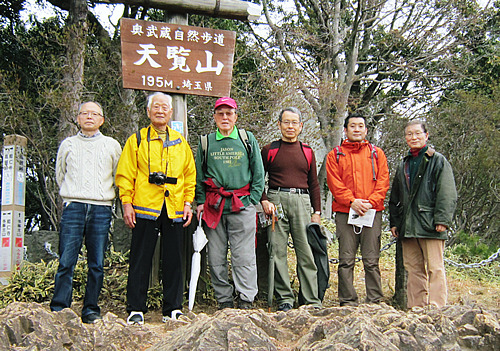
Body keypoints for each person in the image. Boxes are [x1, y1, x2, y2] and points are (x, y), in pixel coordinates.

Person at [115, 92, 196, 325]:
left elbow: (189, 176)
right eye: (156, 107)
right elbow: (125, 173)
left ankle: (173, 308)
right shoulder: (137, 140)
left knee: (174, 259)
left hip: (174, 207)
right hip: (145, 205)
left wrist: (188, 203)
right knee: (141, 258)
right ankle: (135, 309)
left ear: (171, 113)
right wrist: (126, 202)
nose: (160, 111)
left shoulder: (181, 142)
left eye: (165, 108)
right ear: (148, 112)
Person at [50, 101, 122, 324]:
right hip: (74, 206)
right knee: (66, 261)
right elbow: (59, 174)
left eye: (95, 114)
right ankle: (60, 307)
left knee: (97, 263)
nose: (89, 117)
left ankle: (91, 308)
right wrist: (73, 196)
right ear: (78, 118)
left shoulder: (111, 145)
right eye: (85, 113)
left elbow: (118, 176)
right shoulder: (68, 144)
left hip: (101, 208)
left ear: (102, 120)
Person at [195, 97, 265, 310]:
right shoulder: (206, 142)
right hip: (214, 207)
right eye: (220, 113)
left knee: (243, 255)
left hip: (242, 204)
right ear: (214, 117)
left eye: (229, 113)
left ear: (236, 116)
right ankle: (224, 300)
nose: (225, 117)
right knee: (215, 256)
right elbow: (199, 175)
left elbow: (258, 172)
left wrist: (253, 199)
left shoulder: (246, 139)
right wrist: (199, 201)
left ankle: (246, 298)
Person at [389, 120, 457, 309]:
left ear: (426, 136)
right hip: (408, 226)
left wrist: (442, 220)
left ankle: (436, 308)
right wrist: (395, 222)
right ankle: (416, 308)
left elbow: (447, 192)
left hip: (431, 224)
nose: (413, 137)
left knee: (435, 268)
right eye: (409, 134)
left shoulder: (438, 160)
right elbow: (395, 197)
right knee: (413, 270)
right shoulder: (404, 164)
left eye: (418, 133)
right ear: (405, 138)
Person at [260, 107, 322, 311]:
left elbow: (314, 183)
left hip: (302, 201)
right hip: (276, 200)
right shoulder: (270, 150)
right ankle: (285, 298)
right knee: (277, 251)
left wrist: (316, 212)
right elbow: (258, 180)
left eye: (294, 122)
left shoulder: (307, 151)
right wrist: (264, 200)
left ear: (301, 126)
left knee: (306, 251)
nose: (290, 126)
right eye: (286, 122)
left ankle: (311, 299)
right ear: (279, 125)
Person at [326, 112, 390, 306]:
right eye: (352, 126)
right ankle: (347, 300)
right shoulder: (335, 155)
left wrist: (370, 202)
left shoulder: (376, 153)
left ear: (366, 130)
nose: (356, 129)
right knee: (346, 260)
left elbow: (383, 181)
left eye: (360, 126)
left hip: (372, 212)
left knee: (371, 260)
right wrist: (352, 201)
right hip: (346, 213)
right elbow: (334, 183)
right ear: (345, 130)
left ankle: (375, 299)